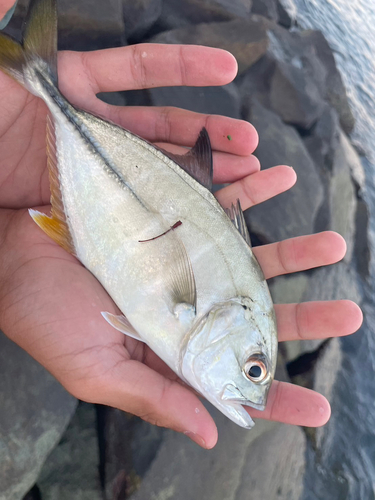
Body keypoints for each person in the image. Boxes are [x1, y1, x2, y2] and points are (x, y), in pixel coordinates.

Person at [0, 38, 362, 448]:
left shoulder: (189, 330)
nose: (252, 391)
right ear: (229, 318)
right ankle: (35, 75)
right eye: (253, 371)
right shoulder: (193, 313)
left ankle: (37, 76)